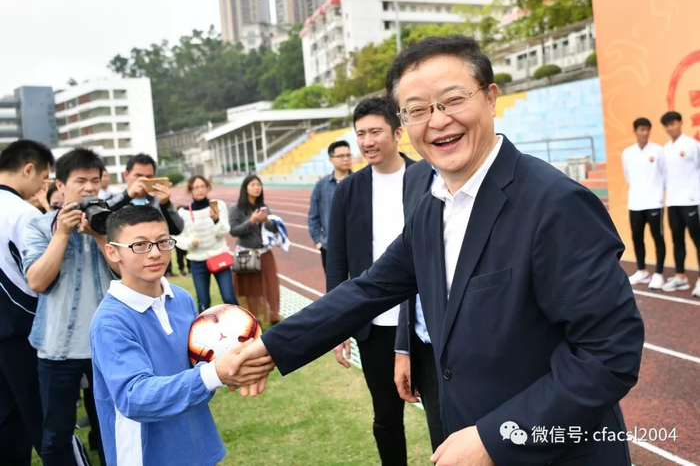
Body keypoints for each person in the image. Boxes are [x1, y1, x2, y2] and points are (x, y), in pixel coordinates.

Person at [235, 36, 644, 466]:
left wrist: (496, 439)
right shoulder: (432, 207)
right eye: (417, 110)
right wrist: (273, 348)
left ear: (490, 98)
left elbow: (609, 354)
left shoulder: (556, 204)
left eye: (453, 100)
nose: (438, 121)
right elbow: (369, 289)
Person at [90, 206, 274, 466]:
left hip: (197, 445)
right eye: (140, 245)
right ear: (112, 252)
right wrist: (214, 374)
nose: (155, 253)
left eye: (163, 242)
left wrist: (236, 365)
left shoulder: (181, 298)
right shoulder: (110, 321)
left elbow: (199, 366)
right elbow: (134, 397)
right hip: (146, 455)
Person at [325, 96, 416, 465]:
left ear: (397, 132)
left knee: (447, 411)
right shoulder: (348, 190)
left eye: (375, 131)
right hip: (374, 325)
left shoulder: (427, 177)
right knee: (386, 417)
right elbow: (338, 261)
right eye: (360, 134)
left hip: (426, 322)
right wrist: (337, 324)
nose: (366, 142)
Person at [23, 148, 121, 465]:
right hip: (57, 349)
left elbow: (129, 275)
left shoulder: (114, 224)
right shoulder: (39, 226)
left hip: (107, 346)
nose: (90, 188)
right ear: (61, 185)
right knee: (55, 436)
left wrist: (100, 236)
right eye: (81, 181)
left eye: (95, 180)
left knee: (113, 430)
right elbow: (37, 281)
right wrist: (62, 234)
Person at [0, 140, 53, 465]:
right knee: (48, 424)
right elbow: (41, 276)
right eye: (43, 177)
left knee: (7, 426)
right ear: (28, 169)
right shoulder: (22, 213)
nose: (42, 186)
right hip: (25, 333)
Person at [393, 159, 445, 453]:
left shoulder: (534, 185)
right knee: (443, 450)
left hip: (488, 362)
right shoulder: (414, 176)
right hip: (427, 352)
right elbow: (407, 271)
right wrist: (404, 348)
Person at [175, 176, 238, 312]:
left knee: (228, 296)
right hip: (197, 261)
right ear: (190, 190)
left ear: (208, 188)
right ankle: (205, 324)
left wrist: (216, 220)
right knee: (203, 300)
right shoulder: (183, 213)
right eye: (196, 187)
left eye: (203, 186)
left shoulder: (218, 205)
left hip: (219, 256)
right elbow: (178, 238)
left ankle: (241, 321)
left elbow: (224, 231)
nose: (200, 190)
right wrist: (190, 242)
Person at [228, 175, 281, 324]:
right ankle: (253, 319)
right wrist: (251, 221)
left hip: (264, 253)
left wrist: (267, 221)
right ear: (245, 188)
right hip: (247, 254)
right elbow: (234, 231)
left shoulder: (264, 208)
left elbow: (274, 229)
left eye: (259, 185)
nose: (257, 188)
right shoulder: (236, 208)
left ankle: (273, 315)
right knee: (251, 289)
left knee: (271, 285)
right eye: (253, 185)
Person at [659, 111, 700, 294]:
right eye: (667, 125)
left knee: (698, 239)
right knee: (677, 240)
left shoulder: (692, 145)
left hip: (691, 201)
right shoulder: (666, 149)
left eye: (673, 123)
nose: (671, 127)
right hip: (673, 202)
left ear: (680, 123)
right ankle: (680, 277)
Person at [622, 117, 666, 289]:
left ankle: (659, 273)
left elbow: (664, 174)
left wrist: (658, 194)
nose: (645, 133)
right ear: (635, 131)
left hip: (654, 203)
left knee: (658, 238)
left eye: (647, 129)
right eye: (642, 129)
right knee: (637, 238)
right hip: (635, 203)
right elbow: (628, 176)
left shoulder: (658, 150)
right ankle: (642, 271)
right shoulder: (628, 153)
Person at [107, 154, 184, 235]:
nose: (143, 180)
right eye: (138, 176)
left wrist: (166, 204)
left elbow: (177, 230)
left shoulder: (158, 202)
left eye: (149, 177)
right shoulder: (115, 200)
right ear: (126, 175)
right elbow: (101, 222)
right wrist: (127, 196)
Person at [308, 140, 352, 271]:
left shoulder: (359, 181)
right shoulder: (321, 185)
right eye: (341, 156)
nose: (346, 159)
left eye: (348, 155)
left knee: (359, 282)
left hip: (356, 246)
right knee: (334, 283)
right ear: (331, 159)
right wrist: (318, 241)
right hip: (330, 247)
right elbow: (313, 216)